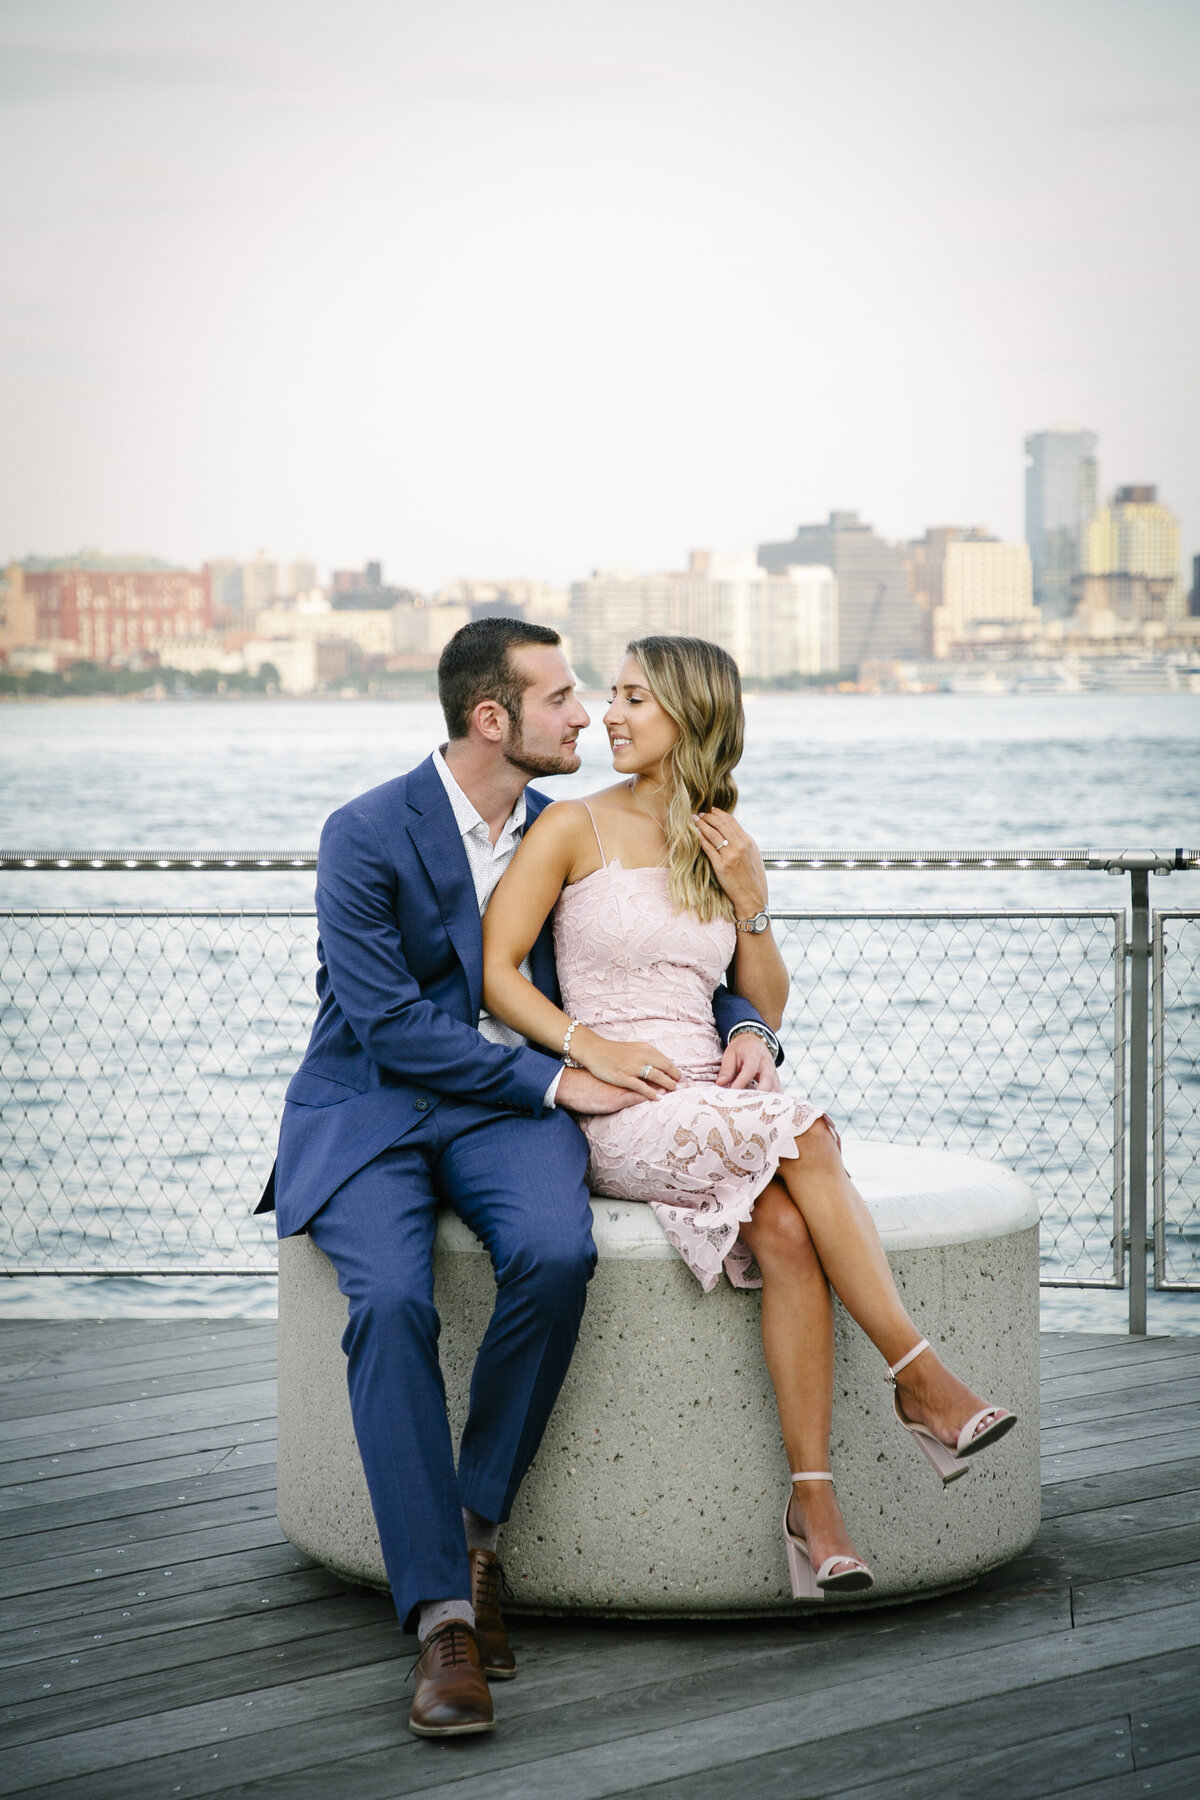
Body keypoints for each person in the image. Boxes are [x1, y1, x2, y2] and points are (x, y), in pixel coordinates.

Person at [258, 619, 782, 1737]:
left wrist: (747, 1027)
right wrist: (559, 1083)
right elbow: (388, 1021)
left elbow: (668, 963)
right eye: (562, 698)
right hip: (375, 1109)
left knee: (555, 1252)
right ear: (494, 719)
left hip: (508, 1118)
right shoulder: (363, 832)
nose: (588, 714)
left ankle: (476, 1526)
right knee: (392, 1302)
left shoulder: (570, 829)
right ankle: (444, 1616)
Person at [482, 634, 1017, 1599]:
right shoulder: (565, 826)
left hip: (711, 1090)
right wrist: (584, 1050)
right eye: (611, 695)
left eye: (634, 698)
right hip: (623, 1103)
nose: (610, 713)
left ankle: (814, 1509)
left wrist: (753, 913)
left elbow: (759, 998)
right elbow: (496, 972)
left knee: (783, 1229)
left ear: (691, 714)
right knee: (806, 1133)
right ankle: (920, 1376)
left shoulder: (720, 834)